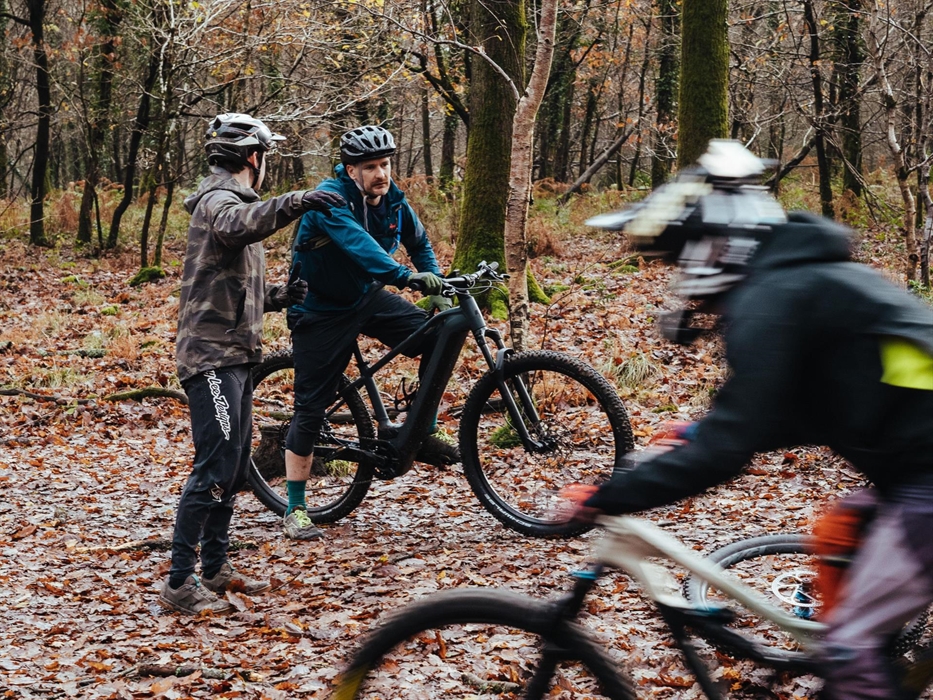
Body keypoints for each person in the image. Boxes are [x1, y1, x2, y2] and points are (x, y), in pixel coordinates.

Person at [570, 140, 933, 699]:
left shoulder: (772, 300)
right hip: (913, 471)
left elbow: (727, 449)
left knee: (849, 651)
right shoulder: (803, 282)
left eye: (679, 259)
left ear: (713, 247)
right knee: (840, 535)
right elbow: (813, 404)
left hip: (923, 482)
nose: (679, 278)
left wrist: (606, 495)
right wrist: (698, 432)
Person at [160, 113, 345, 615]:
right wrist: (298, 200)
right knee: (215, 463)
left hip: (236, 355)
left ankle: (215, 567)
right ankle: (179, 581)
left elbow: (229, 287)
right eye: (266, 154)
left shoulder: (232, 202)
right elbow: (237, 225)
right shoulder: (220, 201)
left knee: (236, 463)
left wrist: (278, 295)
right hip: (211, 358)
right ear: (253, 156)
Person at [281, 124, 459, 540]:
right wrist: (405, 277)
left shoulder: (393, 200)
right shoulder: (328, 200)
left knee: (441, 334)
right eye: (371, 167)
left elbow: (419, 242)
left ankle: (423, 429)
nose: (381, 174)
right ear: (351, 170)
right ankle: (295, 508)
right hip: (320, 308)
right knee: (311, 407)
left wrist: (433, 281)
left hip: (367, 296)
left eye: (385, 164)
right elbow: (360, 246)